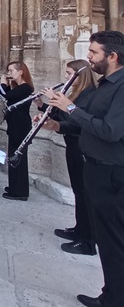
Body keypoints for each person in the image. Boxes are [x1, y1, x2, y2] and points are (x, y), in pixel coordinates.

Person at [43, 32, 124, 307]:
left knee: (116, 246)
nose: (89, 57)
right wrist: (57, 125)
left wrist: (70, 108)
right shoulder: (105, 85)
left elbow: (110, 131)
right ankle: (110, 298)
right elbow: (88, 124)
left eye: (93, 51)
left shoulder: (121, 88)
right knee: (106, 242)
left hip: (112, 175)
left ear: (112, 56)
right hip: (96, 169)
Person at [47, 59, 98, 256]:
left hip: (81, 148)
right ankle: (80, 229)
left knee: (84, 194)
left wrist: (60, 103)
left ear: (80, 75)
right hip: (73, 146)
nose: (67, 77)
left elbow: (77, 121)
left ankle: (87, 241)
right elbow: (64, 120)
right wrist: (45, 108)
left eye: (69, 74)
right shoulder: (79, 94)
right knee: (79, 191)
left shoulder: (90, 94)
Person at [0, 60, 34, 201]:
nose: (9, 74)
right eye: (8, 71)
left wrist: (2, 84)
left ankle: (20, 192)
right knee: (13, 157)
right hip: (15, 126)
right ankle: (14, 186)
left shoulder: (26, 88)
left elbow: (7, 96)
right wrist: (6, 86)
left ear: (20, 72)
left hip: (20, 127)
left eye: (11, 70)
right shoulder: (18, 88)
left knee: (18, 159)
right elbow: (10, 97)